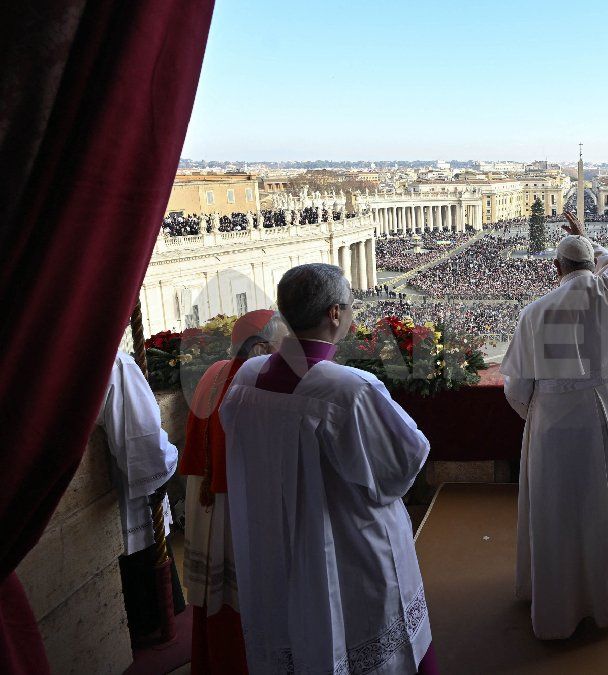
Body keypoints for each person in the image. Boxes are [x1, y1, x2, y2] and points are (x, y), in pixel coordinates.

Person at [220, 264, 437, 674]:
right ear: (335, 314)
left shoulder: (247, 379)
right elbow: (401, 465)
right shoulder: (349, 388)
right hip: (350, 550)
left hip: (276, 544)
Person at [501, 210, 608, 640]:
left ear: (556, 268)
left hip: (558, 424)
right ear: (593, 265)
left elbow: (517, 386)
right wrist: (590, 240)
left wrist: (538, 410)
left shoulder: (537, 312)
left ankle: (560, 600)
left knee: (562, 509)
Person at [179, 309, 287, 675]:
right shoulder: (257, 383)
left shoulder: (213, 372)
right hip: (236, 505)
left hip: (205, 498)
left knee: (215, 596)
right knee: (245, 600)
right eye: (278, 343)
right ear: (260, 345)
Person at [97, 350, 185, 644]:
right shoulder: (115, 362)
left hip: (116, 497)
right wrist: (173, 458)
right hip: (133, 502)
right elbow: (146, 446)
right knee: (152, 618)